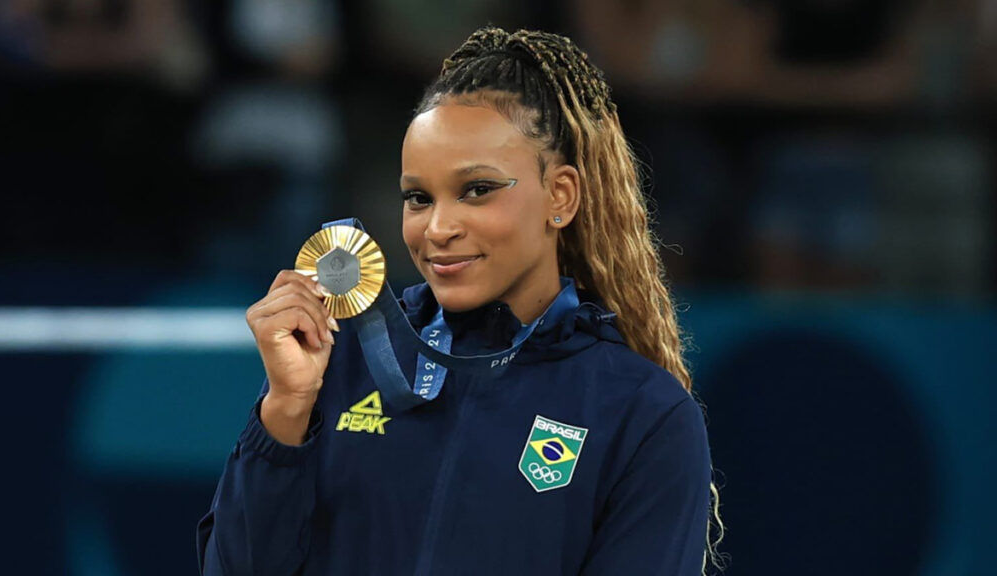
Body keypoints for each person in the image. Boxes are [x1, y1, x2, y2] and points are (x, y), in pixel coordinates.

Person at [197, 26, 722, 575]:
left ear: (559, 196)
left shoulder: (640, 411)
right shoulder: (337, 361)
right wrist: (283, 410)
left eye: (477, 190)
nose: (438, 228)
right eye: (418, 198)